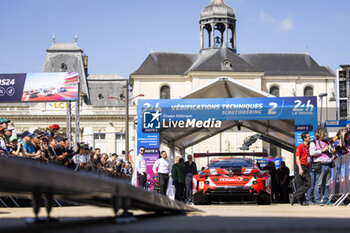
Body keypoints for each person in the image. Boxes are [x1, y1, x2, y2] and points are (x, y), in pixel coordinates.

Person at [310, 127, 336, 205]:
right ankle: (317, 199)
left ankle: (325, 199)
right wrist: (321, 150)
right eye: (323, 133)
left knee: (327, 184)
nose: (324, 134)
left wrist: (332, 151)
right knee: (319, 183)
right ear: (318, 134)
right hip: (320, 165)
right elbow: (311, 153)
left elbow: (331, 150)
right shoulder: (313, 142)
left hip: (328, 164)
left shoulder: (326, 142)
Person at [291, 131, 311, 206]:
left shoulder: (309, 146)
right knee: (300, 184)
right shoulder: (300, 147)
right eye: (308, 137)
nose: (310, 137)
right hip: (300, 166)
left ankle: (295, 196)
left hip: (306, 166)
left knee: (309, 183)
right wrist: (300, 168)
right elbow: (297, 158)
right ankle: (303, 201)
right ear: (304, 138)